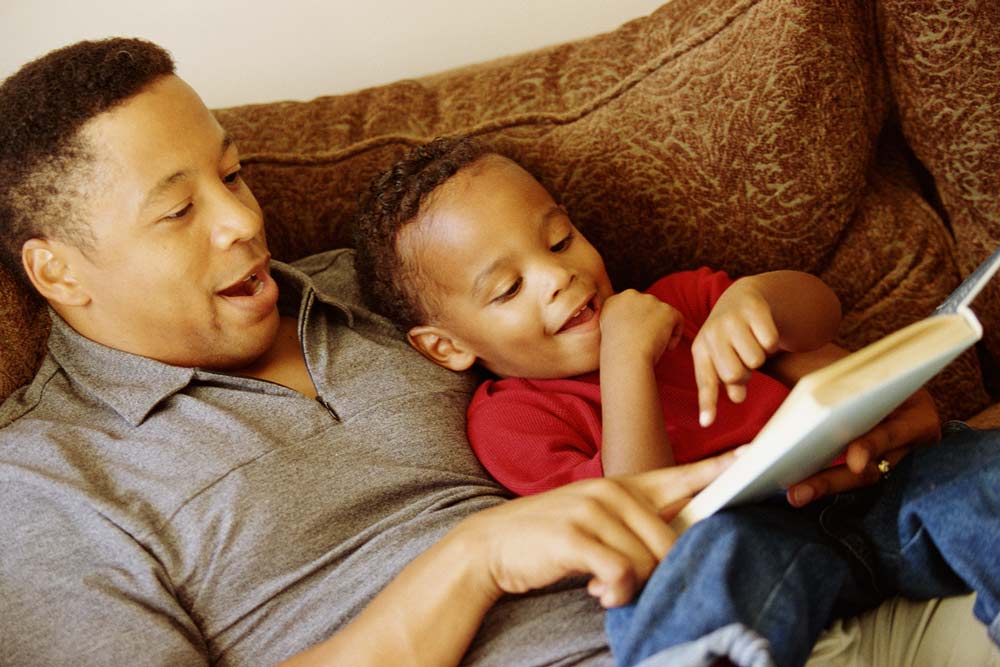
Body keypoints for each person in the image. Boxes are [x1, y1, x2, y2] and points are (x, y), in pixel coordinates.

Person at [0, 38, 994, 667]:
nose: (241, 225)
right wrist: (469, 562)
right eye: (179, 209)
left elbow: (670, 337)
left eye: (234, 175)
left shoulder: (373, 283)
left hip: (835, 588)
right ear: (60, 272)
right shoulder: (45, 486)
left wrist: (852, 395)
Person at [351, 136, 1000, 666]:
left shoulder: (679, 301)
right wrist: (625, 358)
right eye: (508, 287)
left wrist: (758, 301)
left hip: (875, 493)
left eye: (558, 241)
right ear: (446, 347)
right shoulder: (510, 417)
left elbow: (820, 316)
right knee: (695, 577)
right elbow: (636, 510)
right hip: (755, 546)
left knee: (979, 475)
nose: (558, 276)